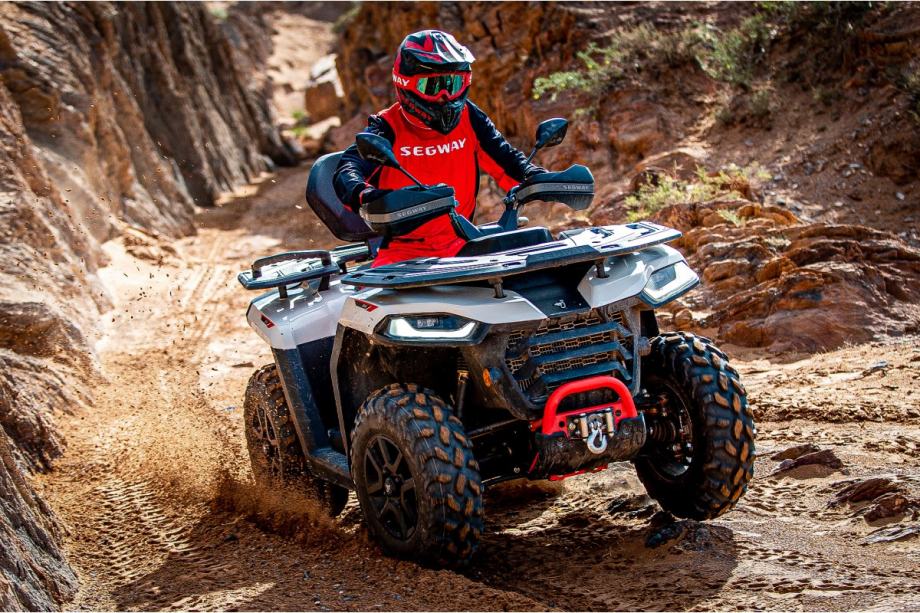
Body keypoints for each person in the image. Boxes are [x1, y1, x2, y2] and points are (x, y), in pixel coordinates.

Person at [333, 29, 545, 267]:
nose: (445, 96)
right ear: (405, 83)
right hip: (404, 252)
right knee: (378, 292)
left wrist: (534, 175)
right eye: (433, 86)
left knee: (540, 259)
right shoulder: (387, 126)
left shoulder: (469, 116)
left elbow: (505, 158)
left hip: (464, 241)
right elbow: (347, 169)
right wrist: (366, 196)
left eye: (454, 84)